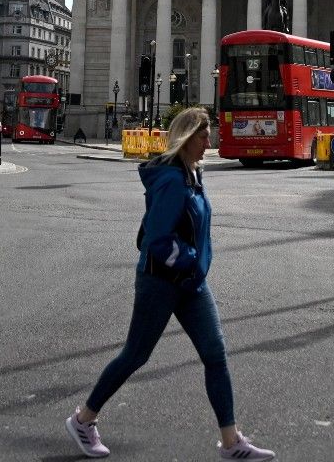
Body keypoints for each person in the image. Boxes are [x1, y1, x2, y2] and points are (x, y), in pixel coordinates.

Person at [66, 107, 273, 461]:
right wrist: (191, 261)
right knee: (135, 355)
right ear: (186, 138)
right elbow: (158, 239)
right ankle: (84, 419)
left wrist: (196, 269)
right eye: (204, 136)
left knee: (215, 355)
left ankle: (230, 442)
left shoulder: (192, 175)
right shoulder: (172, 181)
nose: (210, 142)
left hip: (190, 283)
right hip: (160, 281)